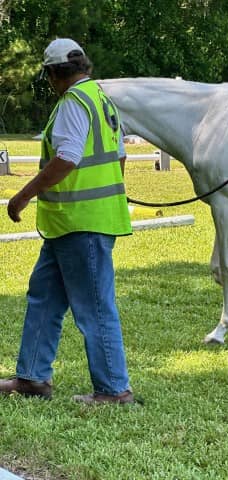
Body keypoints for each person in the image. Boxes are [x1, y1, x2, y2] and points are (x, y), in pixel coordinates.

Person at [0, 38, 138, 404]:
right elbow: (119, 156)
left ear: (53, 74)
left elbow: (67, 158)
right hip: (73, 223)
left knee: (94, 306)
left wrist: (23, 194)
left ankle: (112, 389)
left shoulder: (73, 102)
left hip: (81, 222)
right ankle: (32, 378)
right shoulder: (102, 99)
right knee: (43, 297)